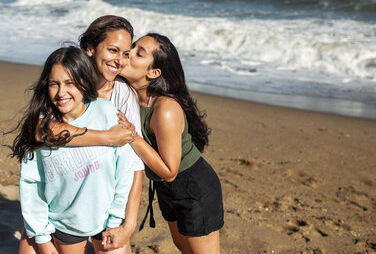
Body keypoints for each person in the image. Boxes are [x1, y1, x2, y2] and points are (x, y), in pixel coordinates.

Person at [19, 15, 145, 254]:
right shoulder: (58, 87)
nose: (119, 60)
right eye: (113, 50)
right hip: (62, 210)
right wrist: (108, 137)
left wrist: (126, 225)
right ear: (89, 50)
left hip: (103, 205)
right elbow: (41, 131)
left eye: (126, 53)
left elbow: (132, 166)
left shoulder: (119, 99)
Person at [119, 33, 224, 254]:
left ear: (154, 72)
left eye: (139, 53)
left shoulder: (164, 109)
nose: (129, 53)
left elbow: (169, 171)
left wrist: (132, 136)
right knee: (182, 247)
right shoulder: (127, 94)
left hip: (193, 187)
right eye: (132, 47)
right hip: (166, 188)